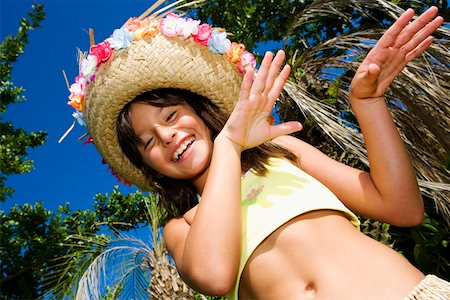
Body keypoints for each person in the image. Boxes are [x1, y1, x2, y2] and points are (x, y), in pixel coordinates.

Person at [66, 3, 450, 299]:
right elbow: (214, 276)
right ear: (148, 166)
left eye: (170, 115)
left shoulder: (279, 153)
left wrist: (368, 104)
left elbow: (402, 208)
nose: (166, 136)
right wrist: (229, 146)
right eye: (148, 141)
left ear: (202, 114)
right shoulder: (183, 228)